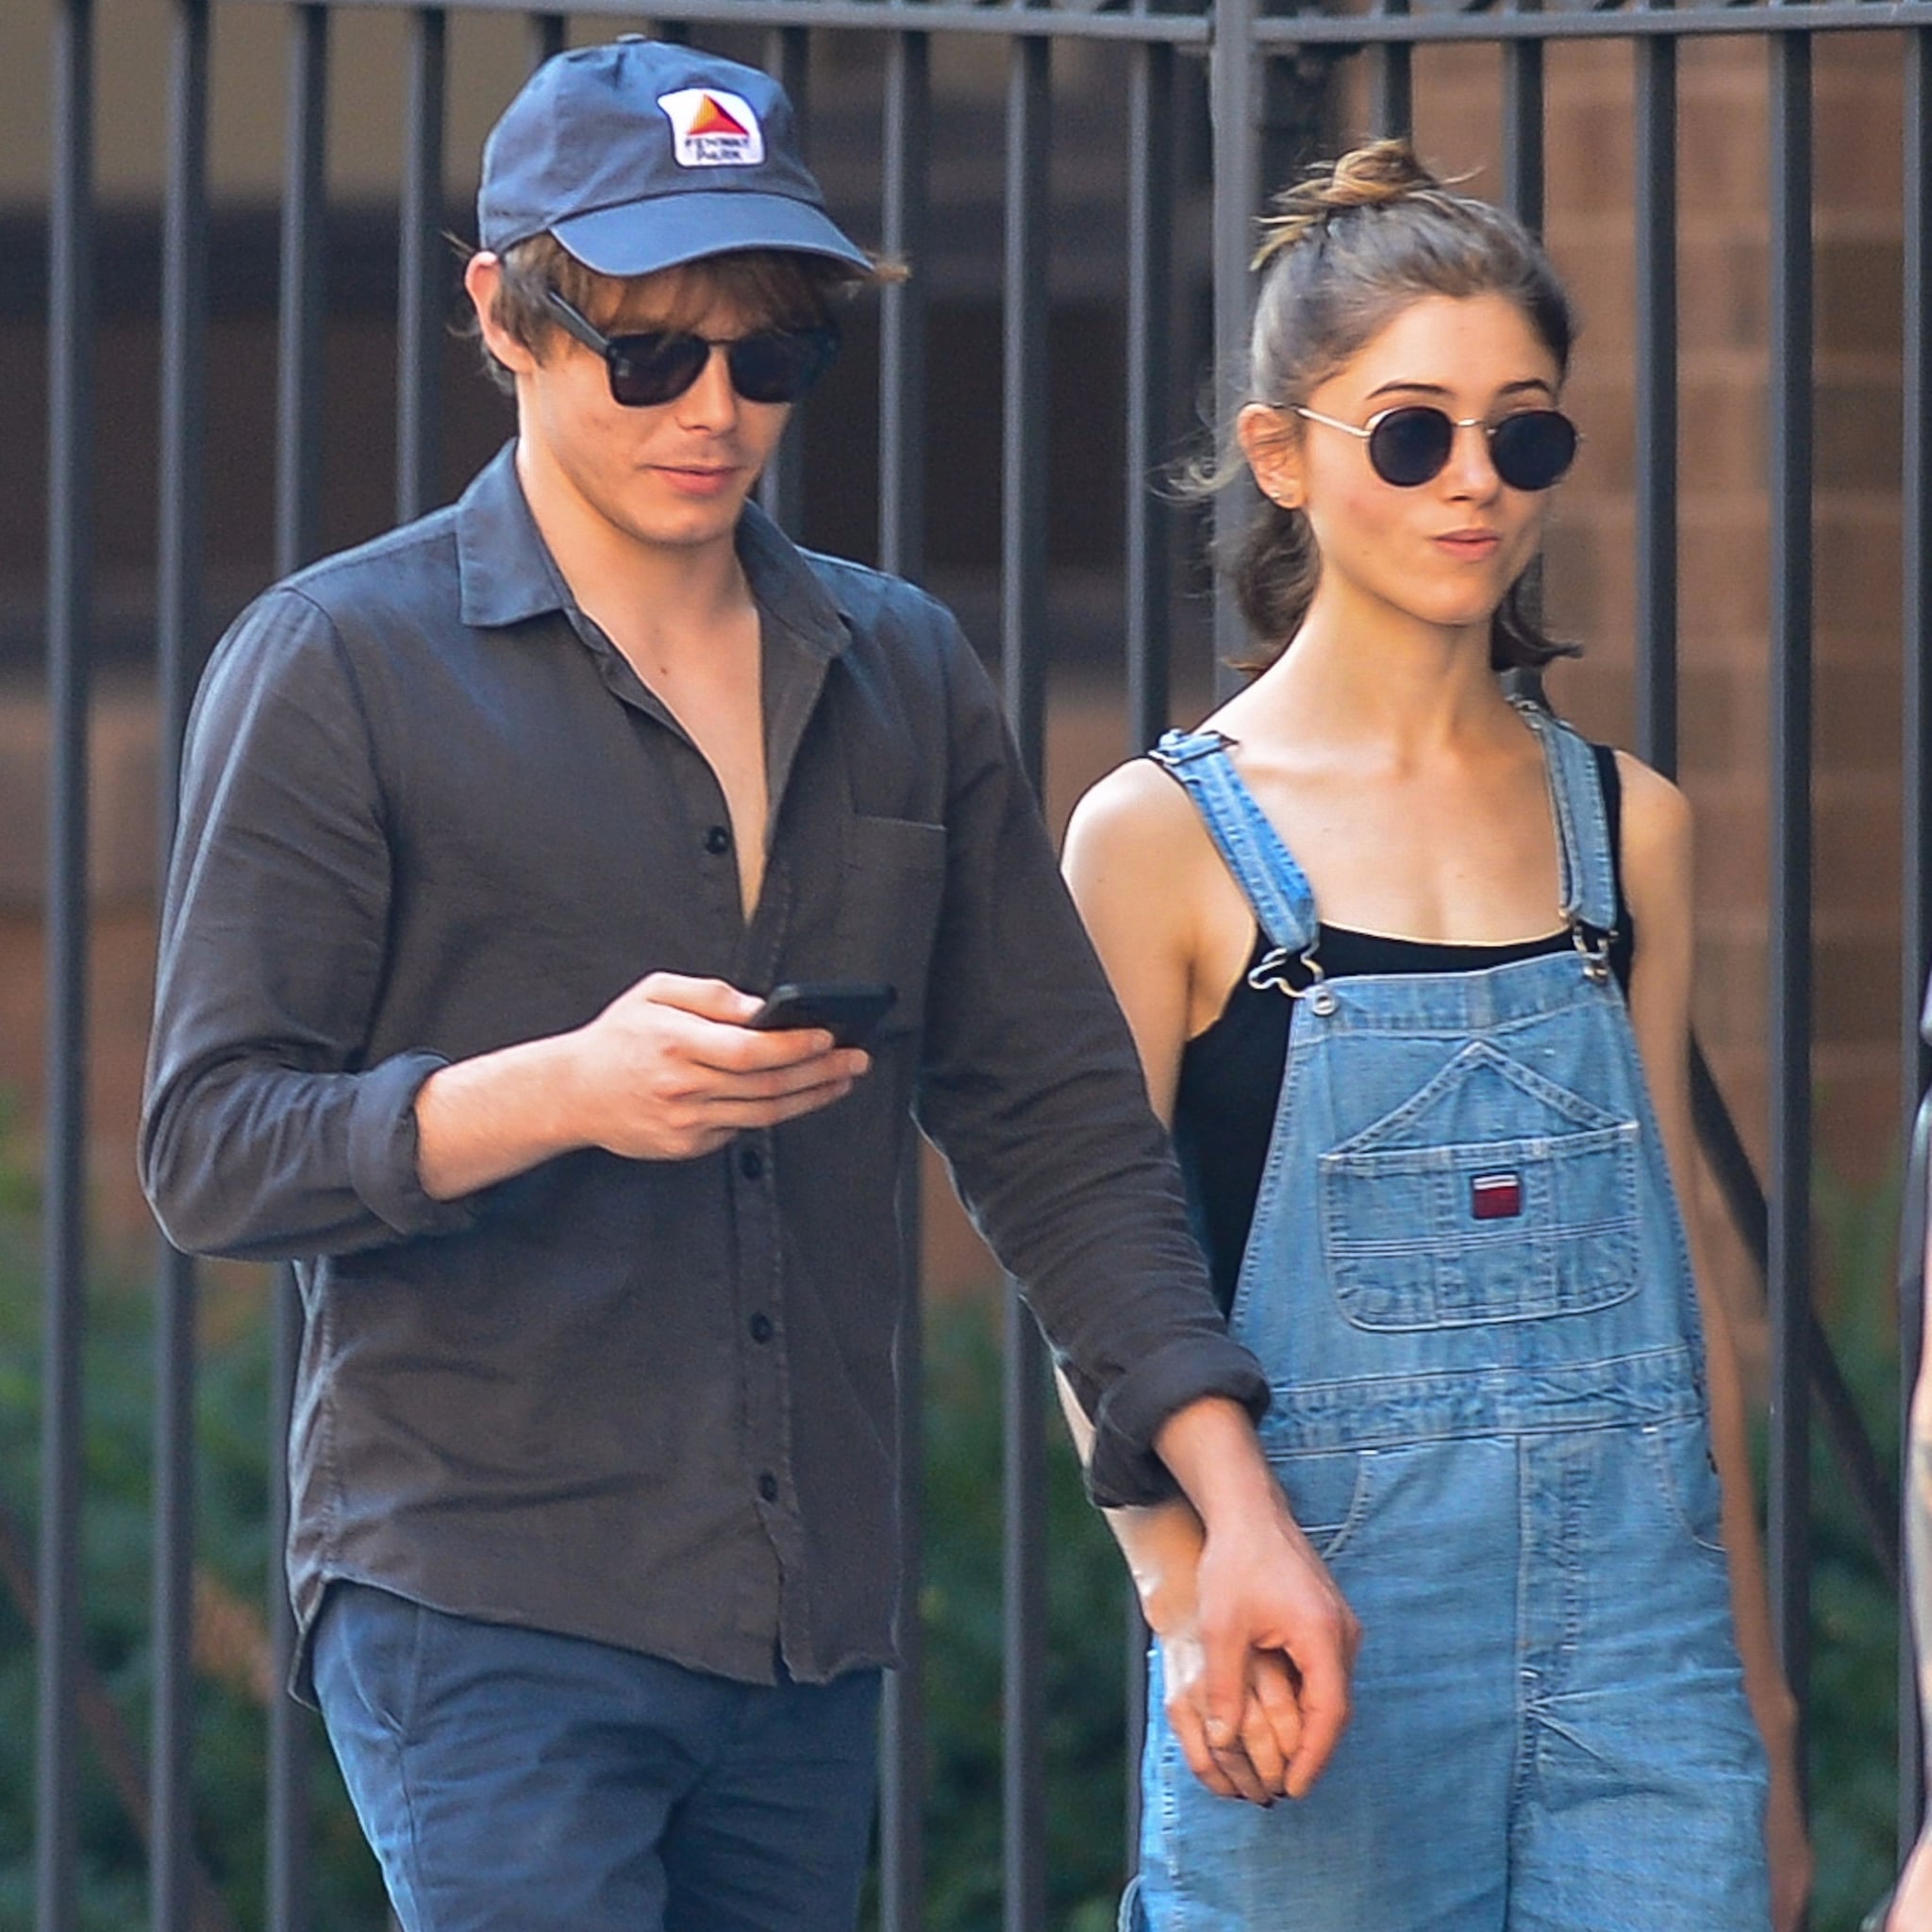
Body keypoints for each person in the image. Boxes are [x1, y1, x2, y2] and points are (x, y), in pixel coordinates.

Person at [139, 38, 1356, 1932]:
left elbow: (1055, 1129)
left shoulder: (902, 670)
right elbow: (211, 1145)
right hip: (484, 1607)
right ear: (505, 314)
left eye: (770, 354)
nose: (712, 408)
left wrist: (1237, 1504)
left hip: (807, 1627)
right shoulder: (339, 666)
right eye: (649, 352)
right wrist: (561, 1090)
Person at [1062, 141, 1810, 1930]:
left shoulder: (1631, 830)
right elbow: (1092, 1275)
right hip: (1313, 1661)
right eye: (1413, 433)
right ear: (1282, 457)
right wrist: (1182, 1596)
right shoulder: (1155, 839)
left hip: (1648, 1674)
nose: (1475, 481)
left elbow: (1688, 1285)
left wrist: (1761, 1713)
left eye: (1522, 432)